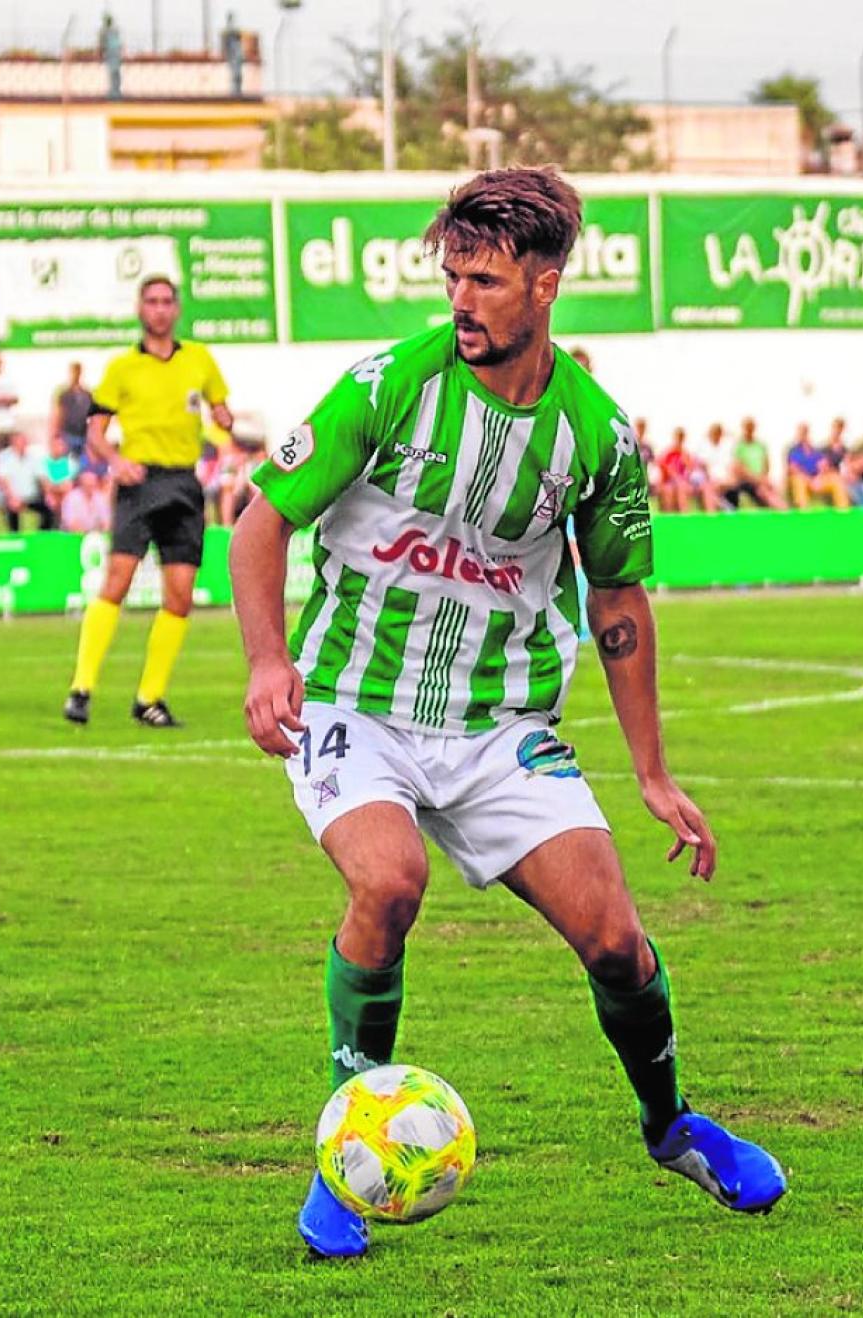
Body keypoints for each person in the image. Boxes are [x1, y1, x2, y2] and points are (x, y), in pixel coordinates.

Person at [227, 167, 785, 1261]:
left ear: (546, 285)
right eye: (452, 276)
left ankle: (671, 1126)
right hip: (355, 703)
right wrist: (264, 659)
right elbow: (259, 518)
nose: (462, 299)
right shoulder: (391, 384)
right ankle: (347, 1157)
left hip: (499, 726)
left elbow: (617, 599)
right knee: (387, 883)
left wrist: (654, 772)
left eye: (484, 280)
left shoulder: (597, 434)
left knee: (619, 941)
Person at [62, 274, 234, 730]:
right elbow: (95, 432)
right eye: (151, 302)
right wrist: (115, 462)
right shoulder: (122, 367)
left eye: (166, 302)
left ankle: (149, 697)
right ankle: (81, 688)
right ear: (141, 310)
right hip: (140, 481)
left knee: (179, 595)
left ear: (176, 310)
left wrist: (223, 418)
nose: (159, 309)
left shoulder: (199, 359)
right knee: (116, 581)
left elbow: (222, 415)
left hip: (183, 483)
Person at [0, 432, 52, 531]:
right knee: (12, 510)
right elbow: (3, 480)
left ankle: (42, 535)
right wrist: (12, 497)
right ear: (13, 442)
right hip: (11, 497)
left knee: (48, 509)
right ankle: (14, 537)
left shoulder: (33, 456)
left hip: (31, 497)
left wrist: (48, 494)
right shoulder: (4, 457)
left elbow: (42, 477)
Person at [783, 422, 847, 510]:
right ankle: (804, 511)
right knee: (798, 480)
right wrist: (809, 480)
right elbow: (793, 469)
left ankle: (843, 511)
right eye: (801, 433)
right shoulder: (793, 450)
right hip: (804, 479)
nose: (803, 435)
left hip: (817, 479)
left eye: (805, 432)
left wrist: (818, 478)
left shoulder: (815, 450)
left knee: (836, 479)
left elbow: (824, 466)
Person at [725, 417, 785, 509]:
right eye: (747, 427)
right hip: (745, 481)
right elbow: (739, 468)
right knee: (763, 491)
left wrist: (763, 477)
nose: (749, 430)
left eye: (751, 427)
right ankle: (782, 511)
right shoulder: (739, 446)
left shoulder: (761, 445)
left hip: (761, 479)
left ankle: (782, 509)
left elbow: (766, 464)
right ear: (743, 428)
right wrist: (756, 479)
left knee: (773, 487)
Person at [655, 428, 703, 512]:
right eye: (678, 437)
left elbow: (691, 470)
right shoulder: (668, 452)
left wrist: (686, 461)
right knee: (669, 490)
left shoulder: (685, 453)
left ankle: (684, 515)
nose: (679, 440)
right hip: (669, 482)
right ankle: (669, 517)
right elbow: (662, 466)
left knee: (682, 488)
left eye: (681, 437)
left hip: (682, 482)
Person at [53, 362, 92, 460]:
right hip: (67, 434)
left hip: (83, 435)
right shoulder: (63, 394)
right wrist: (56, 436)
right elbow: (58, 415)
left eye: (77, 371)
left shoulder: (87, 394)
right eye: (73, 372)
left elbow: (92, 415)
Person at [59, 466, 113, 533]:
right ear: (81, 484)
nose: (90, 488)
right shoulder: (71, 498)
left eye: (92, 485)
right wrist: (87, 535)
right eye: (87, 485)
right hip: (72, 536)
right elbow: (71, 524)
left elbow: (107, 522)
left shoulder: (101, 498)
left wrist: (103, 533)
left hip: (95, 536)